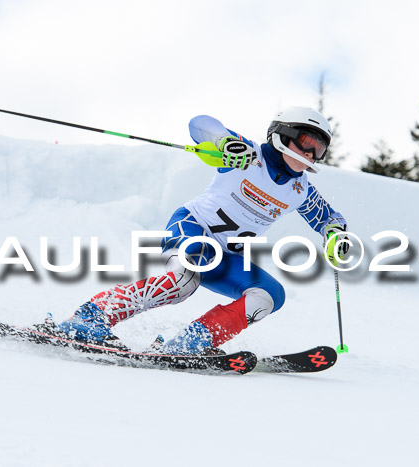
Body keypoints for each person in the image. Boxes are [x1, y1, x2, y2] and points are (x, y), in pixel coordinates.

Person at [56, 106, 350, 354]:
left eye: (319, 149)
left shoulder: (300, 190)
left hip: (226, 257)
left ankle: (193, 342)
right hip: (192, 229)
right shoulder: (247, 154)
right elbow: (200, 125)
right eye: (306, 142)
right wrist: (224, 143)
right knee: (184, 281)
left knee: (270, 295)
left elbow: (327, 218)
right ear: (282, 135)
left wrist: (335, 235)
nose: (311, 154)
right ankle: (89, 318)